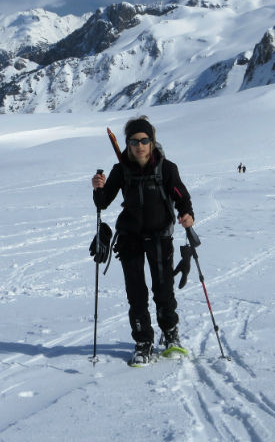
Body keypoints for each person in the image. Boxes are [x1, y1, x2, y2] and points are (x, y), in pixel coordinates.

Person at [91, 116, 195, 365]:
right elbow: (103, 203)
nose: (139, 145)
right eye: (134, 141)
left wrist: (187, 214)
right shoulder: (120, 170)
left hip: (160, 235)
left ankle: (170, 334)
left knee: (163, 289)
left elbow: (181, 196)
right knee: (136, 293)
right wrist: (98, 188)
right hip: (130, 238)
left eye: (144, 140)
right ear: (127, 144)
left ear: (152, 141)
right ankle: (143, 341)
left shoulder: (167, 168)